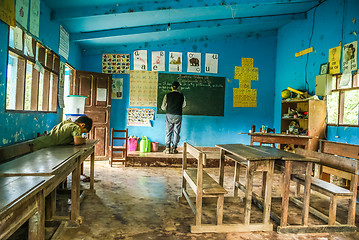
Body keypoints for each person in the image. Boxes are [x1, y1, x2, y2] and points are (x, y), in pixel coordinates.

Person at [161, 81, 186, 154]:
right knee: (176, 132)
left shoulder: (167, 95)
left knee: (168, 131)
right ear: (178, 88)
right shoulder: (182, 96)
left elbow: (163, 107)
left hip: (169, 114)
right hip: (178, 115)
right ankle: (174, 148)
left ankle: (167, 148)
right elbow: (184, 105)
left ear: (172, 87)